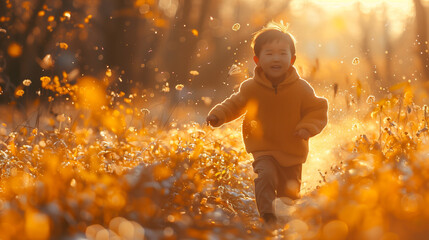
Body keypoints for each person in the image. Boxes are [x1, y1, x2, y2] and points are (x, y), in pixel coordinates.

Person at [206, 21, 328, 226]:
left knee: (289, 193)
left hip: (292, 150)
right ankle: (267, 215)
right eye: (269, 53)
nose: (276, 58)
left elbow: (316, 110)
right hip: (263, 148)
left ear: (292, 59)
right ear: (257, 60)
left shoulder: (301, 88)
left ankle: (284, 222)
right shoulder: (251, 87)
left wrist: (306, 128)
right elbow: (234, 104)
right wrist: (218, 115)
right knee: (266, 177)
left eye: (282, 53)